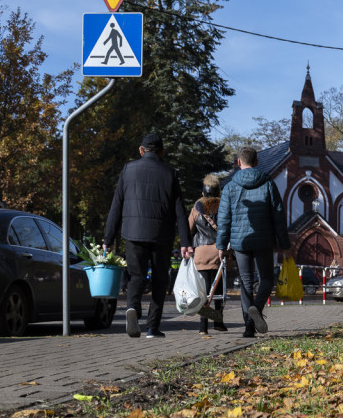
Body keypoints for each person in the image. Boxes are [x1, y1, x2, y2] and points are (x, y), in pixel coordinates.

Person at [103, 132, 194, 339]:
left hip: (133, 233)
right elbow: (180, 211)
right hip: (161, 235)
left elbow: (116, 207)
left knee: (136, 276)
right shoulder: (170, 173)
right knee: (160, 280)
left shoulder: (128, 170)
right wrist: (185, 242)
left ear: (141, 150)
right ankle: (152, 327)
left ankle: (132, 308)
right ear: (162, 152)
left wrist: (108, 239)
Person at [216, 146, 292, 338]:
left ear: (238, 162)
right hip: (264, 240)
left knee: (245, 282)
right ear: (256, 162)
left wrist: (221, 246)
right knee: (267, 279)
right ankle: (256, 309)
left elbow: (224, 219)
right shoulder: (268, 184)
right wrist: (285, 245)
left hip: (240, 241)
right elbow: (278, 216)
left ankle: (248, 328)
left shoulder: (230, 187)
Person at [189, 174, 227, 334]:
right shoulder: (224, 206)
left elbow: (188, 230)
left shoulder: (196, 208)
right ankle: (218, 322)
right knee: (218, 291)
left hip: (201, 253)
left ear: (203, 193)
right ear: (218, 192)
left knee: (203, 291)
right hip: (219, 253)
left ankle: (202, 327)